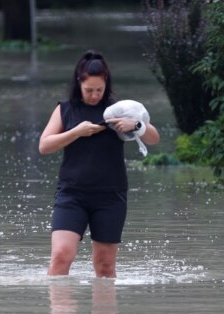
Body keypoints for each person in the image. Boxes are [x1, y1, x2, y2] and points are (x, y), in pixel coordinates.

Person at [38, 50, 160, 278]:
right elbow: (44, 146)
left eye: (99, 90)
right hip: (71, 194)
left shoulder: (119, 110)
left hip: (110, 197)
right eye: (88, 90)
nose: (94, 95)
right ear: (79, 84)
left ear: (106, 84)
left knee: (105, 267)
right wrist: (76, 132)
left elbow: (154, 138)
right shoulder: (65, 109)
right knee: (61, 256)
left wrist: (136, 126)